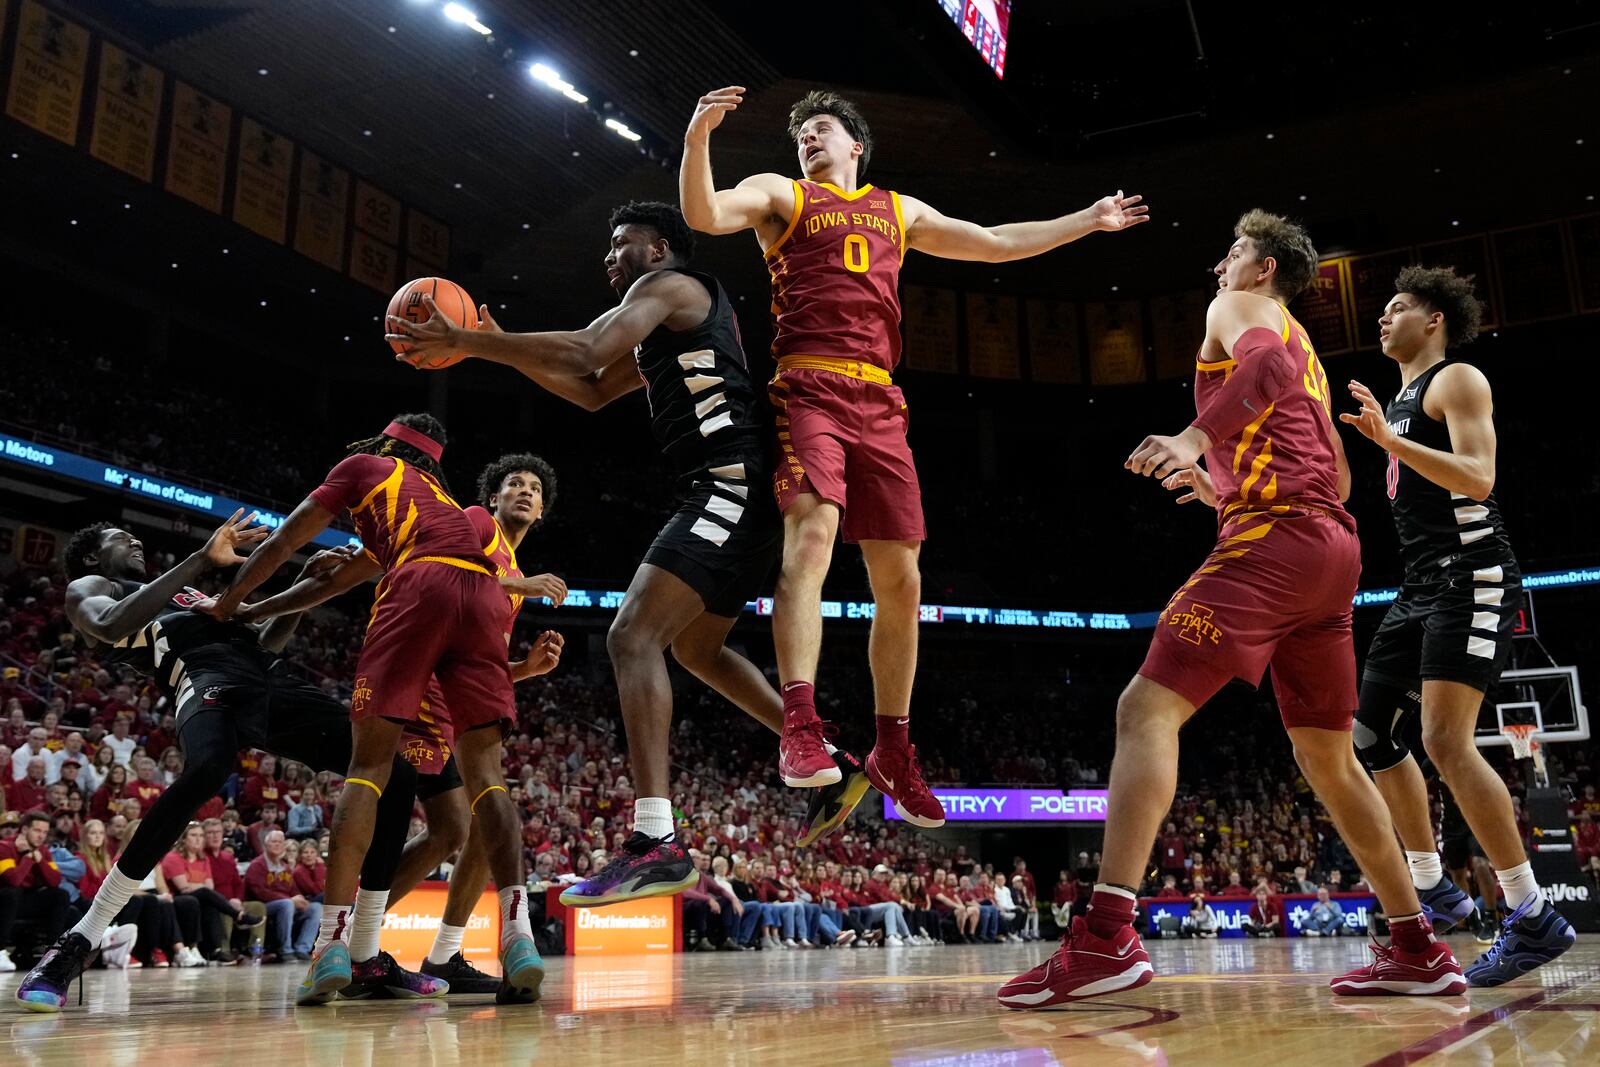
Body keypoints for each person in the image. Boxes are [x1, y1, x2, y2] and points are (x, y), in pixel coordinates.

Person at [1000, 210, 1466, 1010]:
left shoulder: (1241, 312)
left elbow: (1268, 380)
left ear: (1263, 270)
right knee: (1328, 755)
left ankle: (1107, 933)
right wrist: (1225, 483)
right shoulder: (1307, 351)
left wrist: (1191, 438)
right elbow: (1340, 479)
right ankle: (1418, 944)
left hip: (1273, 545)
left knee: (1143, 707)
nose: (1220, 264)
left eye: (1235, 253)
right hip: (1332, 550)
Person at [679, 86, 1148, 828]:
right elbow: (703, 213)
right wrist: (698, 137)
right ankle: (800, 726)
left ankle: (893, 748)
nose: (808, 139)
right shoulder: (781, 196)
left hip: (881, 403)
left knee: (902, 580)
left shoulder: (899, 209)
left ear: (856, 145)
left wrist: (1086, 221)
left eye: (823, 128)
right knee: (811, 539)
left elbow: (995, 242)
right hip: (809, 388)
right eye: (801, 133)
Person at [386, 202, 872, 906]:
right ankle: (833, 759)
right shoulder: (657, 328)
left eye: (623, 244)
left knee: (631, 635)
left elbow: (586, 348)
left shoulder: (673, 287)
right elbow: (588, 389)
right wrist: (495, 345)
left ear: (662, 247)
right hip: (737, 494)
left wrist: (470, 339)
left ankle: (656, 840)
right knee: (698, 650)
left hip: (727, 486)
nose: (610, 257)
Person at [205, 415, 541, 1006]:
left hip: (420, 608)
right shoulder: (449, 510)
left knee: (371, 774)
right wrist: (256, 613)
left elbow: (286, 541)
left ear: (382, 446)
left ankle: (337, 944)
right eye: (518, 485)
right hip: (471, 618)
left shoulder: (367, 472)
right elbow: (333, 586)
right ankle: (516, 935)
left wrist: (229, 601)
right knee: (480, 798)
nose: (526, 493)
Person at [13, 516, 412, 1013]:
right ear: (94, 557)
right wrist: (201, 558)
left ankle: (364, 951)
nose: (136, 539)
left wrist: (306, 583)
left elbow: (265, 642)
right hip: (204, 681)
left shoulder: (181, 591)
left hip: (268, 679)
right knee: (207, 769)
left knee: (396, 774)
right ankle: (82, 938)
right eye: (121, 537)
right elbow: (110, 623)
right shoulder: (93, 586)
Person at [1342, 265, 1575, 985]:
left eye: (1398, 307)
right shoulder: (1396, 398)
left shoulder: (1458, 379)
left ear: (1434, 319)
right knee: (1369, 733)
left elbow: (1478, 478)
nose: (1383, 318)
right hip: (1418, 586)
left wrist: (1390, 439)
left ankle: (1531, 913)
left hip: (1472, 573)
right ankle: (1433, 884)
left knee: (1445, 738)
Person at [161, 822, 253, 962]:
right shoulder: (173, 857)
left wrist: (196, 886)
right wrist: (199, 886)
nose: (198, 839)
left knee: (209, 903)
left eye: (201, 835)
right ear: (184, 839)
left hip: (197, 897)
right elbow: (183, 887)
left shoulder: (203, 858)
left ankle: (216, 951)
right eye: (193, 835)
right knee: (202, 896)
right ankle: (238, 915)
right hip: (176, 899)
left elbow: (210, 886)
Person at [0, 812, 70, 967]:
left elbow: (55, 881)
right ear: (24, 830)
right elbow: (13, 880)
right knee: (12, 893)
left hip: (25, 901)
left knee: (61, 895)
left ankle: (53, 952)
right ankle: (0, 951)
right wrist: (27, 856)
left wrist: (39, 861)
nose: (41, 836)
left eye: (45, 832)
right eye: (37, 831)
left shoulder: (43, 851)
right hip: (5, 901)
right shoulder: (4, 847)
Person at [246, 829, 320, 962]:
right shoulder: (257, 865)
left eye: (280, 842)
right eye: (274, 842)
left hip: (287, 904)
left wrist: (300, 899)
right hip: (264, 906)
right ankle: (285, 950)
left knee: (316, 907)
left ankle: (302, 949)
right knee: (287, 904)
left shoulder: (284, 867)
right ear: (266, 844)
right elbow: (260, 892)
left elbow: (293, 889)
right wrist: (290, 899)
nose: (277, 845)